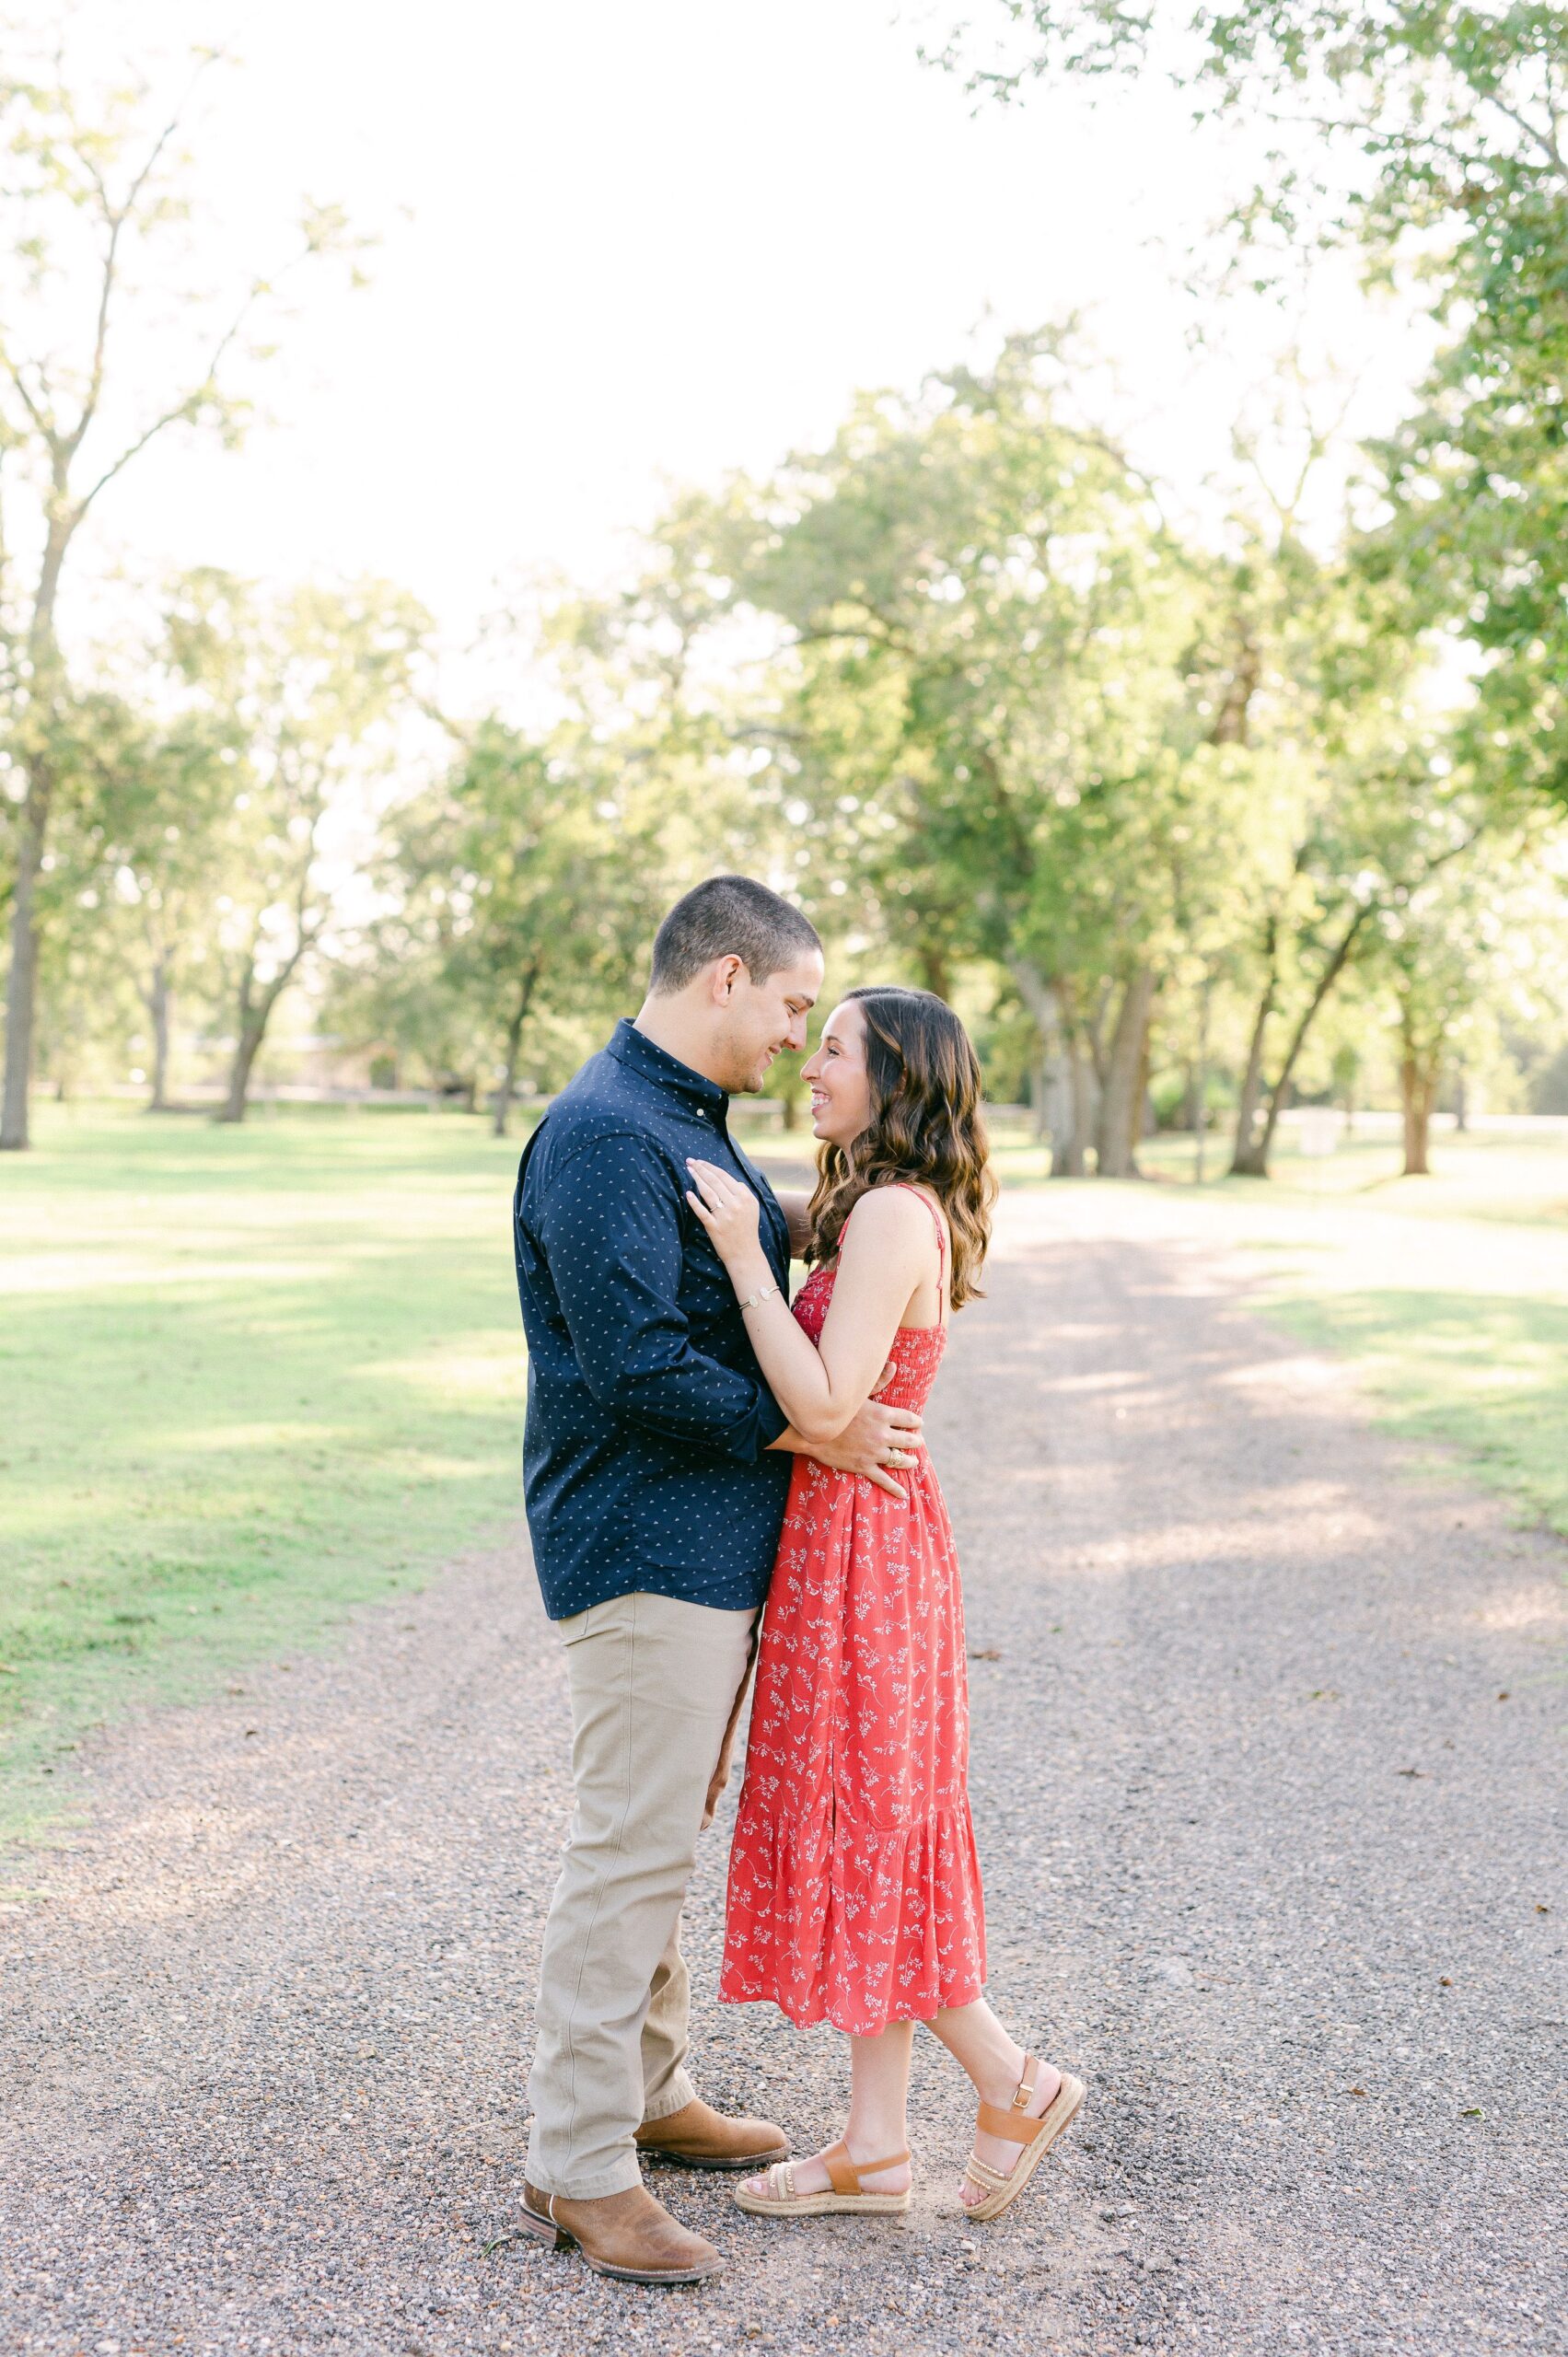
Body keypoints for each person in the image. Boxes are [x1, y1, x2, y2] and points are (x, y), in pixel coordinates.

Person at [511, 879, 927, 2286]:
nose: (799, 1035)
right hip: (643, 1546)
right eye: (796, 1007)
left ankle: (652, 2091)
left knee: (658, 1842)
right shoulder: (603, 1136)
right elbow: (635, 1366)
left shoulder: (684, 1122)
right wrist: (810, 1423)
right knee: (626, 1850)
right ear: (729, 977)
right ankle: (576, 2164)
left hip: (709, 1549)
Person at [685, 985, 1086, 2224]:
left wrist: (752, 1266)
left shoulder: (893, 1222)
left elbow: (822, 1401)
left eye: (839, 1048)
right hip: (847, 1547)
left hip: (864, 1560)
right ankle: (874, 2147)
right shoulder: (877, 1208)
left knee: (873, 1833)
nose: (811, 1062)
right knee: (872, 1827)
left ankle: (1011, 2078)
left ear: (896, 1080)